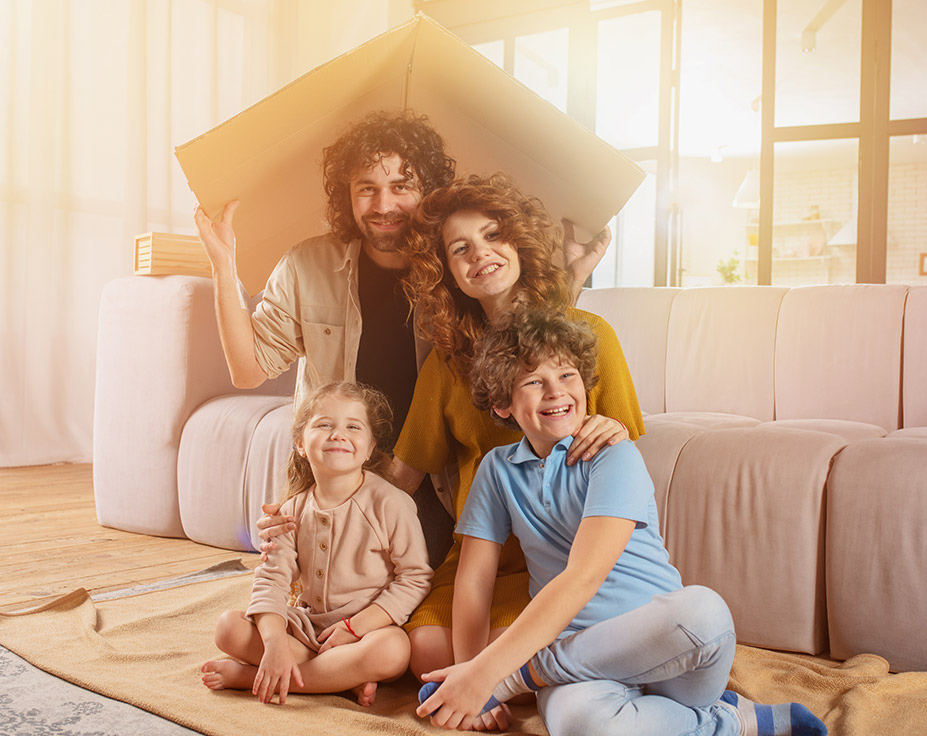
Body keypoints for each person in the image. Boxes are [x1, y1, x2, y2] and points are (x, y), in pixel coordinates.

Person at [196, 111, 611, 562]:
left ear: (427, 193)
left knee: (401, 606)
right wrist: (223, 266)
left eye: (401, 187)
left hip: (430, 481)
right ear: (347, 197)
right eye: (366, 189)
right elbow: (247, 370)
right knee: (313, 602)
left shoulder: (456, 267)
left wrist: (572, 278)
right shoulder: (306, 265)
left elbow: (518, 334)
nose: (383, 205)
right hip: (336, 470)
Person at [414, 309, 828, 736]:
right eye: (534, 381)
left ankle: (521, 676)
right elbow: (474, 582)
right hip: (584, 664)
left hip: (668, 653)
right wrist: (467, 675)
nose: (557, 392)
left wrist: (489, 677)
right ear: (502, 403)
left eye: (568, 375)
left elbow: (584, 576)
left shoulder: (613, 453)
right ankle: (726, 721)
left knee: (704, 613)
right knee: (581, 726)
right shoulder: (496, 471)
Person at [378, 173, 644, 729]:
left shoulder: (590, 334)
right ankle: (494, 677)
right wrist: (319, 501)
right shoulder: (448, 362)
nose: (481, 255)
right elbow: (402, 475)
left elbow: (625, 443)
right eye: (460, 249)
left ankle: (503, 677)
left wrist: (608, 429)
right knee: (428, 653)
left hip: (560, 550)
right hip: (482, 548)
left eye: (493, 235)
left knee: (502, 657)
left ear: (518, 243)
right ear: (447, 271)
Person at [200, 382, 432, 707]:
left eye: (353, 426)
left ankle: (252, 678)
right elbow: (271, 581)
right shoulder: (290, 511)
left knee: (393, 651)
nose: (338, 434)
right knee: (228, 628)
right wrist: (275, 641)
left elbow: (415, 578)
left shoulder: (390, 503)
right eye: (325, 424)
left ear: (369, 448)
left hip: (367, 631)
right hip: (308, 629)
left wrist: (354, 628)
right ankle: (338, 678)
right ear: (300, 444)